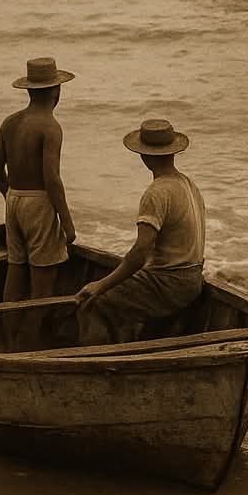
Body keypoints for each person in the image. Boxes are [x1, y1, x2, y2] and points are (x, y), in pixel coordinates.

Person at [76, 119, 207, 345]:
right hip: (194, 280)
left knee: (94, 303)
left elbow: (141, 252)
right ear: (173, 153)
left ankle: (93, 365)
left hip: (169, 283)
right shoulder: (188, 184)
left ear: (144, 156)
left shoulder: (157, 192)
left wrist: (101, 285)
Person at [0, 58, 77, 324]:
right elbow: (52, 179)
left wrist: (11, 196)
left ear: (29, 90)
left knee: (15, 273)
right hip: (39, 204)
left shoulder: (10, 122)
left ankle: (8, 337)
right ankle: (30, 345)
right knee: (42, 288)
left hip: (14, 199)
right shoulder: (51, 127)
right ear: (56, 91)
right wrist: (67, 220)